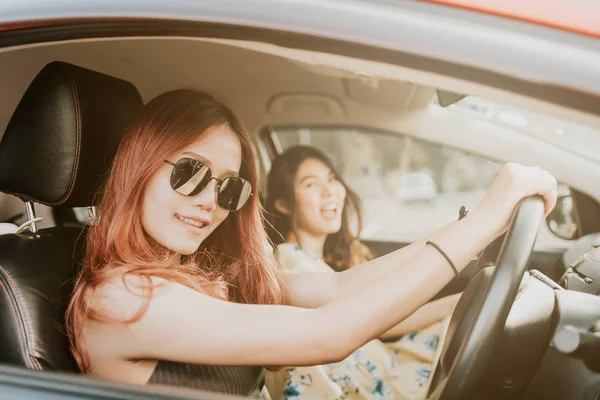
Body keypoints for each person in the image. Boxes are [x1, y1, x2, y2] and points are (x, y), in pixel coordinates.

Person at [65, 89, 557, 400]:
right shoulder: (119, 298)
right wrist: (489, 216)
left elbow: (342, 289)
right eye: (191, 172)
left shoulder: (199, 276)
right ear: (139, 167)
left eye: (229, 187)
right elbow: (328, 334)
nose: (209, 203)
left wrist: (477, 233)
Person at [263, 146, 461, 399]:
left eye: (332, 179)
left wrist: (457, 302)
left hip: (380, 367)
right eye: (311, 184)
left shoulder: (318, 261)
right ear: (283, 204)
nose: (330, 191)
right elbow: (382, 320)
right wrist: (456, 302)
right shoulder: (291, 263)